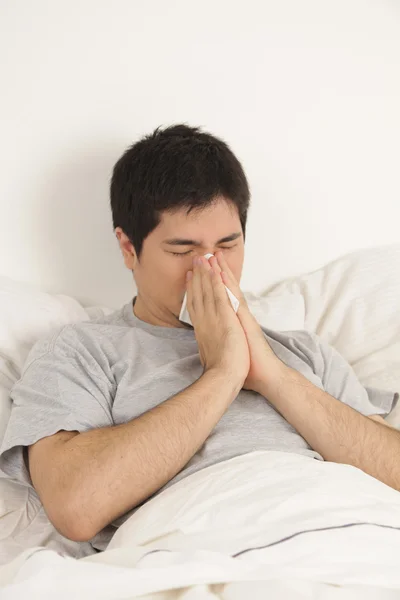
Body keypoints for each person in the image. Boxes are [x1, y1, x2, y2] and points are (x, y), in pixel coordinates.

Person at [0, 124, 398, 553]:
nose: (209, 268)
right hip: (201, 545)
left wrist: (272, 376)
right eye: (182, 250)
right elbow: (76, 505)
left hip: (349, 538)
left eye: (228, 245)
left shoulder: (304, 351)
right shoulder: (81, 351)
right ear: (129, 248)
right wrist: (224, 374)